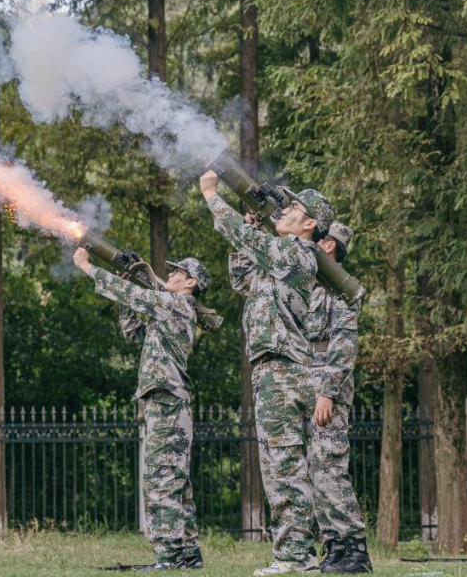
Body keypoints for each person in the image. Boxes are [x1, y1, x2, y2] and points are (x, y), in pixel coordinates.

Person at [200, 170, 333, 576]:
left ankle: (296, 558)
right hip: (270, 370)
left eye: (294, 208)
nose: (285, 210)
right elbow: (243, 278)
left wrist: (211, 195)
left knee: (285, 466)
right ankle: (293, 554)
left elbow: (246, 239)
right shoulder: (279, 256)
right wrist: (253, 227)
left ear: (310, 223)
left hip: (284, 369)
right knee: (277, 467)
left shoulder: (300, 254)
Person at [73, 247, 209, 571]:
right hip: (166, 402)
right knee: (176, 482)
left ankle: (168, 558)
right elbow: (134, 332)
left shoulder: (177, 305)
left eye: (177, 272)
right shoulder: (168, 310)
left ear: (191, 283)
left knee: (162, 480)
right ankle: (188, 554)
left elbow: (135, 295)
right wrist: (127, 291)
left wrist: (87, 267)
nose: (170, 274)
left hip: (168, 403)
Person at [307, 222, 372, 574]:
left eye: (316, 239)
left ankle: (355, 549)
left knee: (329, 467)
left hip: (326, 389)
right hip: (305, 381)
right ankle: (334, 546)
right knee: (315, 471)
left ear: (329, 245)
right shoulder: (309, 284)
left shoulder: (342, 287)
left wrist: (327, 392)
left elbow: (344, 345)